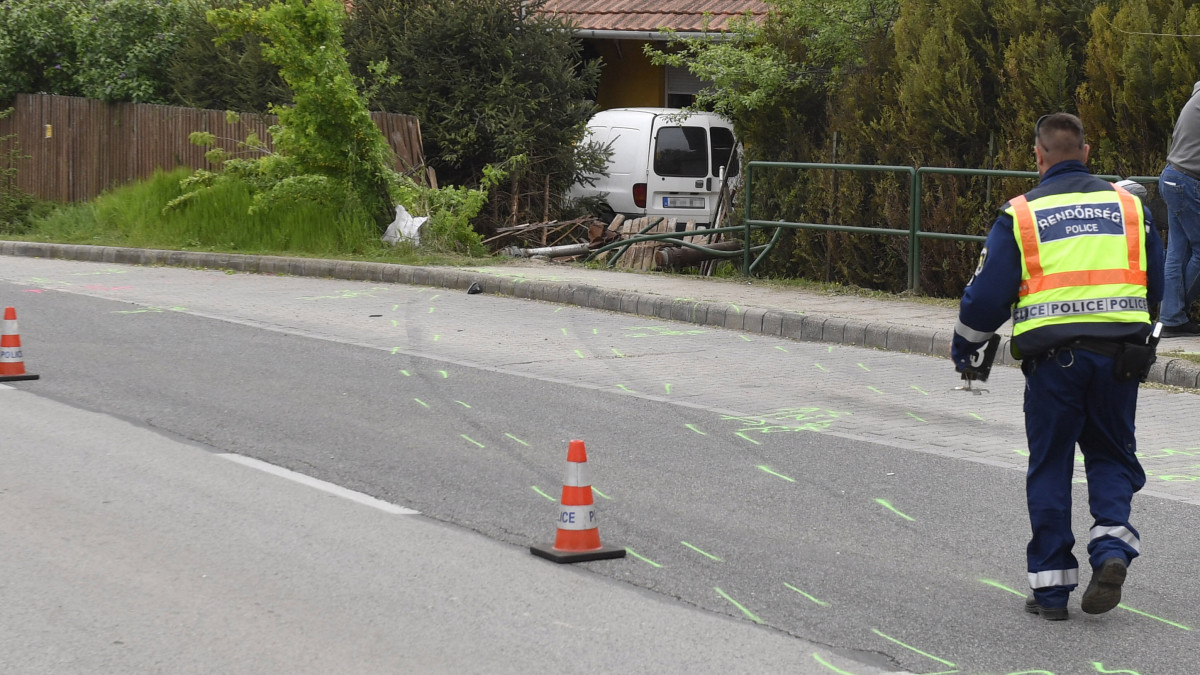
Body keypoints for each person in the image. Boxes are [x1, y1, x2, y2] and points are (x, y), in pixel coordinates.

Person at [951, 113, 1164, 621]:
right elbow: (1155, 287)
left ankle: (1050, 593)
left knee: (1051, 466)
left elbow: (983, 302)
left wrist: (968, 353)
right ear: (1086, 152)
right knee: (1112, 455)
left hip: (1054, 366)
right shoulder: (1131, 208)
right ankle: (1112, 549)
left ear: (1039, 156)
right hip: (1119, 360)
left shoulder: (1020, 215)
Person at [1159, 81, 1200, 337]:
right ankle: (1173, 313)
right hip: (1187, 182)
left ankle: (1171, 318)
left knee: (1177, 251)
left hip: (1173, 177)